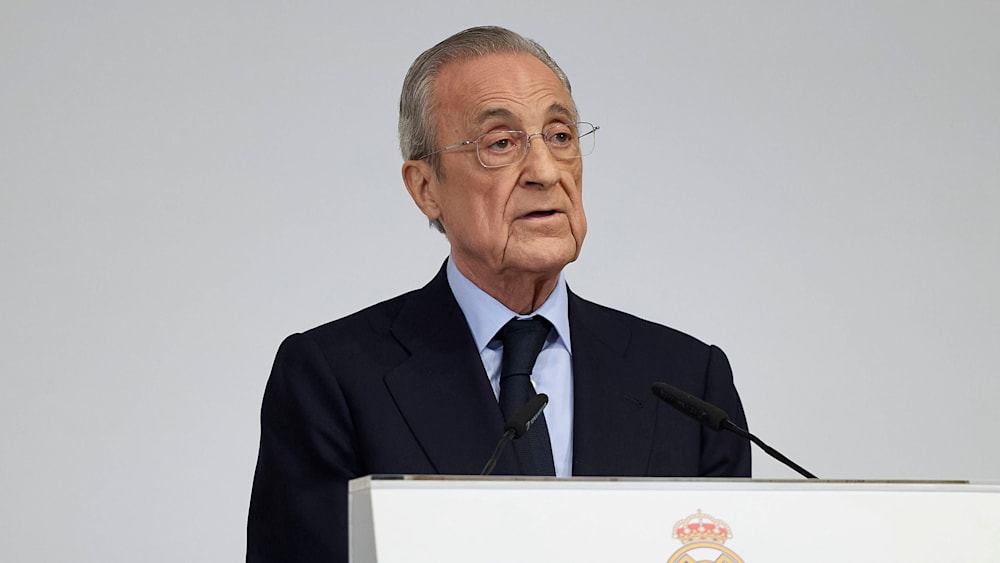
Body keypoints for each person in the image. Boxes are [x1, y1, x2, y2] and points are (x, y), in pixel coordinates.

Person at [247, 26, 750, 563]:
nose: (545, 172)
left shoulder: (690, 382)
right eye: (500, 144)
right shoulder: (335, 379)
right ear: (426, 188)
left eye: (560, 136)